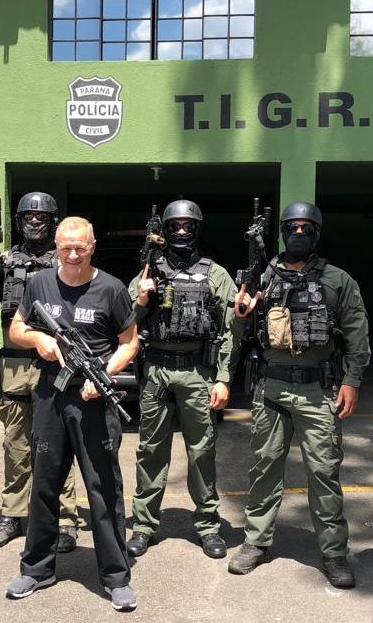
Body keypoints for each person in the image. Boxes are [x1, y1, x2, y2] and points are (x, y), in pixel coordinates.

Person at [229, 202, 370, 589]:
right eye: (292, 227)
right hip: (271, 387)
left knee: (324, 472)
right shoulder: (260, 278)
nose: (299, 234)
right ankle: (256, 541)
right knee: (264, 468)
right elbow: (237, 333)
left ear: (317, 233)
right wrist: (242, 315)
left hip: (317, 390)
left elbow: (357, 335)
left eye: (307, 228)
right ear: (282, 232)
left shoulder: (337, 281)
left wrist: (352, 380)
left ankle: (333, 553)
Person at [3, 216, 139, 612]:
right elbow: (15, 328)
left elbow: (129, 343)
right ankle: (36, 569)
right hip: (50, 394)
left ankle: (115, 576)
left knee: (103, 487)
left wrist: (105, 376)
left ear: (93, 245)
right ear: (57, 246)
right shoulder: (39, 283)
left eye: (81, 246)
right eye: (66, 247)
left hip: (94, 397)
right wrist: (38, 338)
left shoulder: (111, 288)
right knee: (44, 481)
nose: (74, 253)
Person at [126, 199, 241, 559]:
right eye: (174, 227)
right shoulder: (148, 271)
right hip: (157, 370)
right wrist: (142, 299)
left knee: (202, 450)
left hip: (198, 371)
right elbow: (124, 321)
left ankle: (207, 524)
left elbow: (232, 327)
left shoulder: (215, 274)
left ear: (196, 230)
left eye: (187, 227)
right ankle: (144, 525)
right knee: (150, 450)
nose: (180, 232)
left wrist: (223, 377)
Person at [0, 192, 80, 552]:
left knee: (59, 442)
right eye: (28, 217)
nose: (35, 222)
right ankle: (13, 514)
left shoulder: (62, 260)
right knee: (15, 444)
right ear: (19, 221)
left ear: (52, 221)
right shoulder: (5, 260)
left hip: (55, 361)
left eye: (42, 217)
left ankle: (66, 520)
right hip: (14, 364)